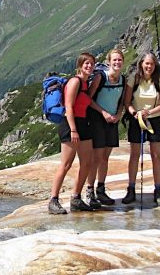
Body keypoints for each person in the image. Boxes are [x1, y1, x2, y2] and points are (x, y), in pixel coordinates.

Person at [120, 52, 160, 207]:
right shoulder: (133, 79)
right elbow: (127, 102)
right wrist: (135, 113)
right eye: (146, 63)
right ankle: (131, 188)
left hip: (155, 120)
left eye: (152, 64)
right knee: (134, 155)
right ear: (141, 64)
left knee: (156, 155)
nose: (149, 66)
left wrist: (148, 112)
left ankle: (158, 189)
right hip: (137, 119)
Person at [48, 53, 96, 214]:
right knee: (66, 164)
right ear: (80, 65)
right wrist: (73, 129)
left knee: (87, 162)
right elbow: (68, 107)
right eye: (86, 63)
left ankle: (76, 198)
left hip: (83, 123)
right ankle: (53, 200)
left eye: (92, 64)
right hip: (71, 124)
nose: (89, 66)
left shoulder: (85, 83)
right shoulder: (75, 82)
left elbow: (88, 102)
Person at [84, 48, 126, 208]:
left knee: (104, 158)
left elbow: (123, 101)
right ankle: (90, 191)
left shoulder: (122, 79)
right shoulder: (101, 77)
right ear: (109, 62)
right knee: (96, 158)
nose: (117, 63)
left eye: (119, 60)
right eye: (114, 60)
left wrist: (118, 114)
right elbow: (89, 98)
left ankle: (100, 189)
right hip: (98, 120)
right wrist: (103, 113)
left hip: (112, 121)